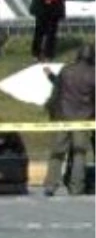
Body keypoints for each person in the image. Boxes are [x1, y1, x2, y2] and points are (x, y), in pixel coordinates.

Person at [42, 44, 96, 196]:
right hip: (84, 119)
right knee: (80, 154)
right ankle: (76, 187)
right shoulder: (94, 74)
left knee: (57, 152)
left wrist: (52, 113)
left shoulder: (66, 70)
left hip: (63, 117)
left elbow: (57, 92)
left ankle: (50, 185)